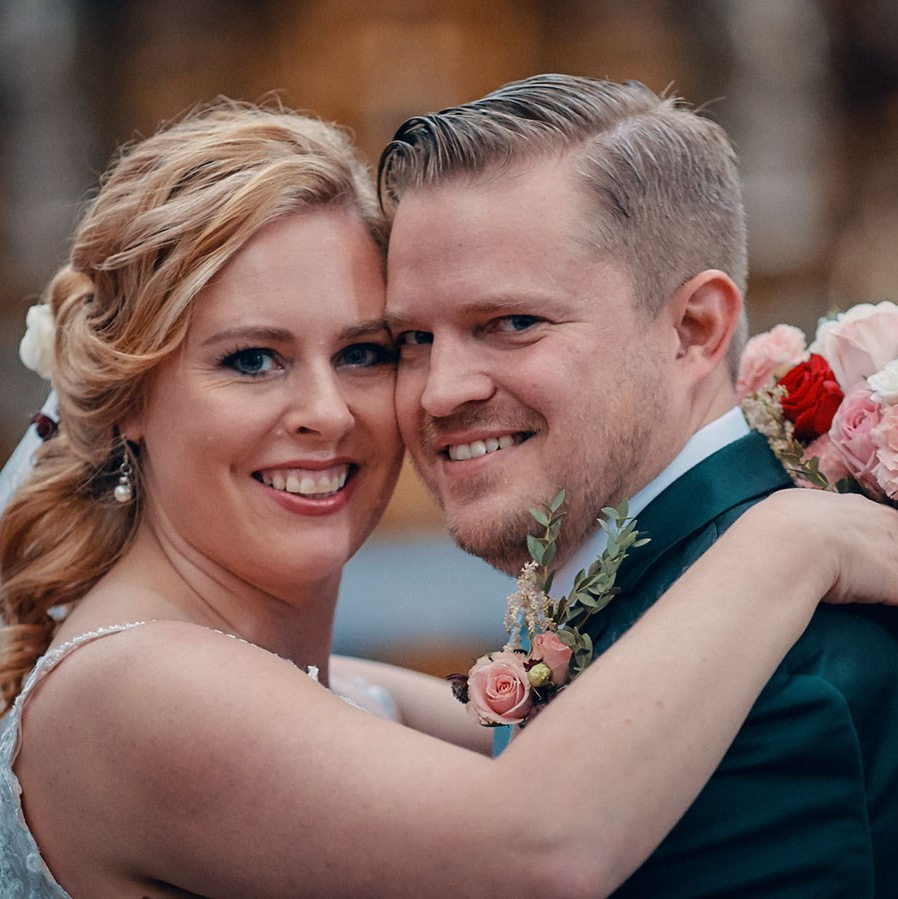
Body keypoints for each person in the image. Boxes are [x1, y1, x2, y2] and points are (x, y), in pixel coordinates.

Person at [0, 101, 896, 899]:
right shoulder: (139, 687)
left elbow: (554, 715)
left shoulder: (321, 688)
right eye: (251, 359)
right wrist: (791, 540)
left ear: (693, 328)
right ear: (127, 400)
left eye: (363, 352)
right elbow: (539, 842)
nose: (327, 411)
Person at [378, 74, 898, 897]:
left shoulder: (777, 685)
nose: (439, 391)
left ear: (693, 328)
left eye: (512, 323)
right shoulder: (650, 589)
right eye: (410, 337)